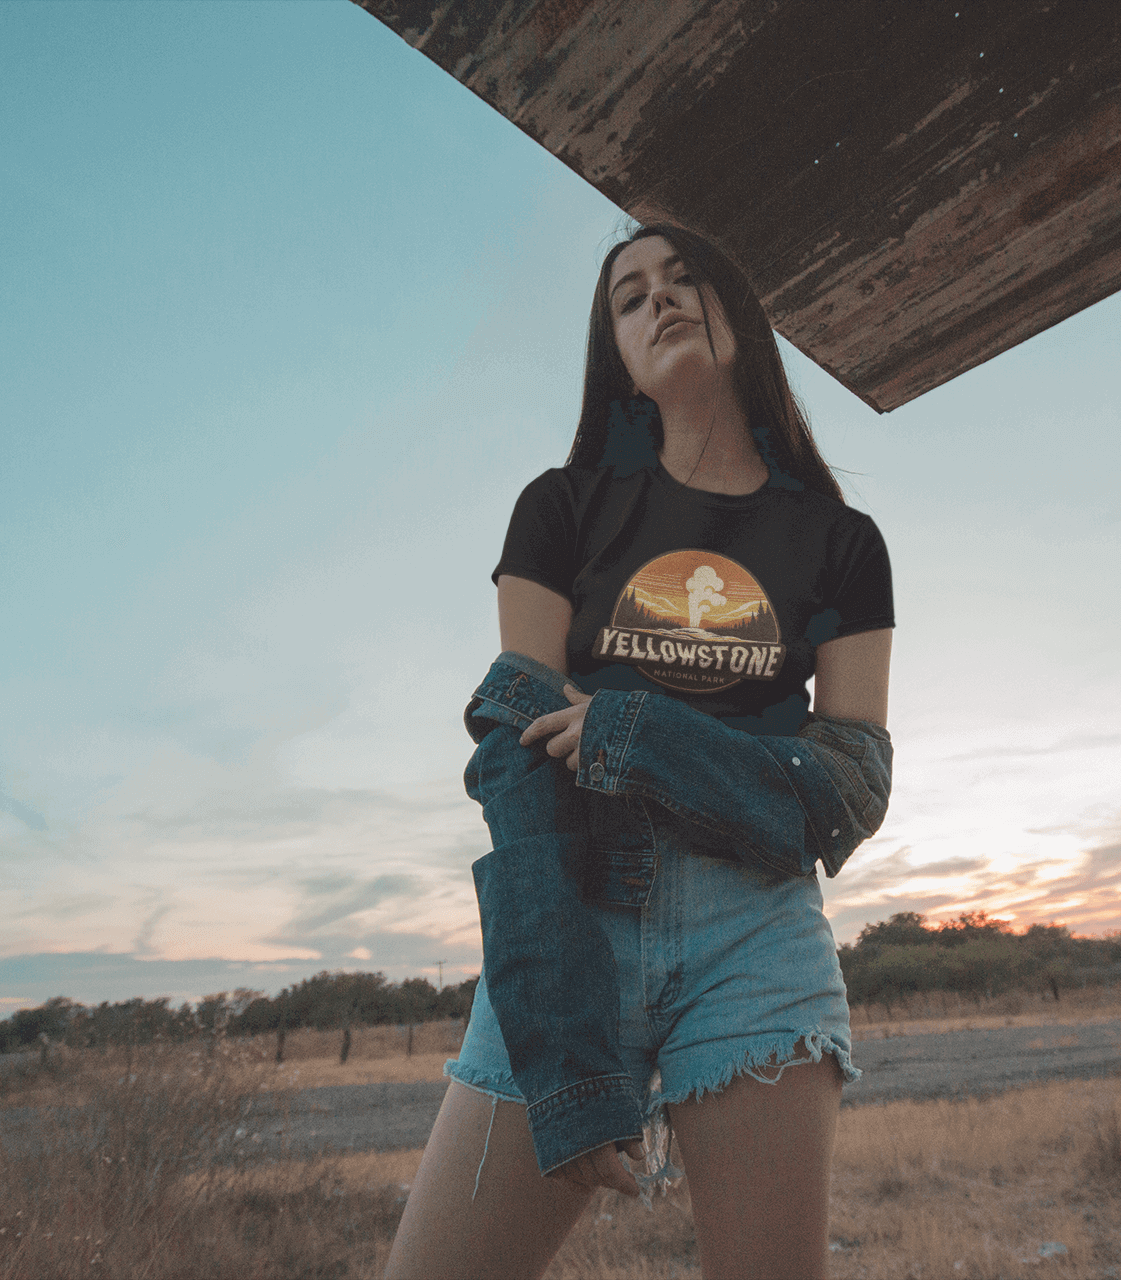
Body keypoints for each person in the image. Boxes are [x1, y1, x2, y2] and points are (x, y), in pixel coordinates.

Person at [383, 223, 895, 1280]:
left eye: (684, 278)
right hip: (572, 903)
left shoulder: (842, 541)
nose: (658, 299)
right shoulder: (560, 508)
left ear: (737, 312)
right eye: (629, 295)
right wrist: (564, 1042)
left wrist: (636, 732)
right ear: (613, 352)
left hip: (756, 932)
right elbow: (516, 751)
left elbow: (847, 786)